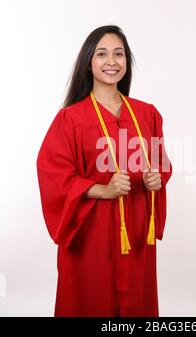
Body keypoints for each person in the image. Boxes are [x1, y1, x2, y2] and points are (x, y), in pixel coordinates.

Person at [36, 25, 172, 317]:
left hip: (134, 232)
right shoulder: (70, 118)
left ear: (127, 62)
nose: (111, 61)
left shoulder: (147, 114)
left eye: (119, 54)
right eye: (102, 54)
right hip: (91, 232)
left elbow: (161, 163)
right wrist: (103, 189)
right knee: (89, 298)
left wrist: (156, 179)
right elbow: (53, 173)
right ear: (88, 62)